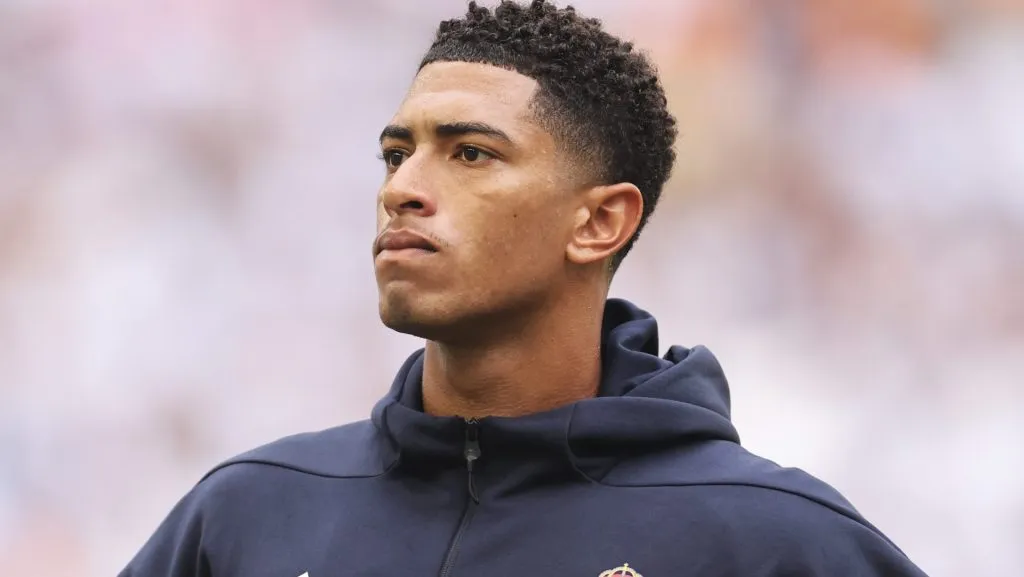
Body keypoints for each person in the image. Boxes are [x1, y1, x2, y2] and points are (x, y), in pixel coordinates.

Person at [121, 1, 929, 576]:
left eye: (469, 153)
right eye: (396, 153)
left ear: (599, 222)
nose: (402, 186)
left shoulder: (768, 539)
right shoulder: (251, 513)